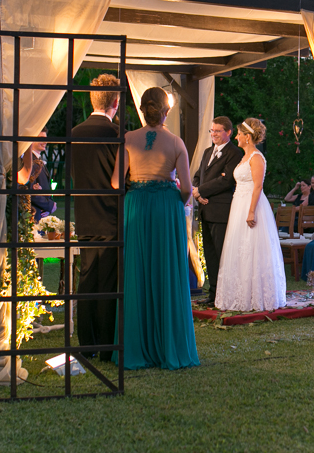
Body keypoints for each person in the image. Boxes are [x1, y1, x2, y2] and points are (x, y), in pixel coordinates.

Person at [111, 87, 198, 370]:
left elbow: (115, 183)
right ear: (166, 110)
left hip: (136, 206)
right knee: (167, 273)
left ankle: (137, 347)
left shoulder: (128, 138)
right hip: (165, 208)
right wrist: (170, 197)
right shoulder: (176, 142)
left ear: (142, 109)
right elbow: (186, 188)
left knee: (137, 271)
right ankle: (167, 346)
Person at [71, 74, 121, 360]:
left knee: (87, 278)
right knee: (108, 282)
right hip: (111, 216)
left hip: (85, 215)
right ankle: (105, 346)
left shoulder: (75, 133)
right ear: (115, 101)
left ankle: (86, 343)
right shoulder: (117, 135)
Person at [216, 119, 287, 311]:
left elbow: (257, 185)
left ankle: (257, 295)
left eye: (239, 134)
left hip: (251, 204)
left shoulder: (257, 157)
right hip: (238, 202)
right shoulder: (243, 157)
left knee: (252, 247)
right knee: (239, 247)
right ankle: (240, 294)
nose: (236, 137)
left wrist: (251, 211)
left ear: (247, 137)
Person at [192, 116, 243, 305]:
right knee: (210, 254)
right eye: (211, 130)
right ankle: (213, 295)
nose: (213, 134)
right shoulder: (207, 152)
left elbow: (227, 180)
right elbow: (198, 176)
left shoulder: (234, 153)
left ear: (228, 132)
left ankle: (226, 295)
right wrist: (197, 193)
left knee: (222, 254)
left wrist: (202, 190)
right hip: (205, 209)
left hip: (221, 211)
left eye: (217, 130)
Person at [20, 128, 56, 221]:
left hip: (41, 213)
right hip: (33, 215)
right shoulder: (29, 162)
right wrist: (50, 205)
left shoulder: (38, 160)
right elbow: (29, 190)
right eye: (41, 138)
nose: (45, 141)